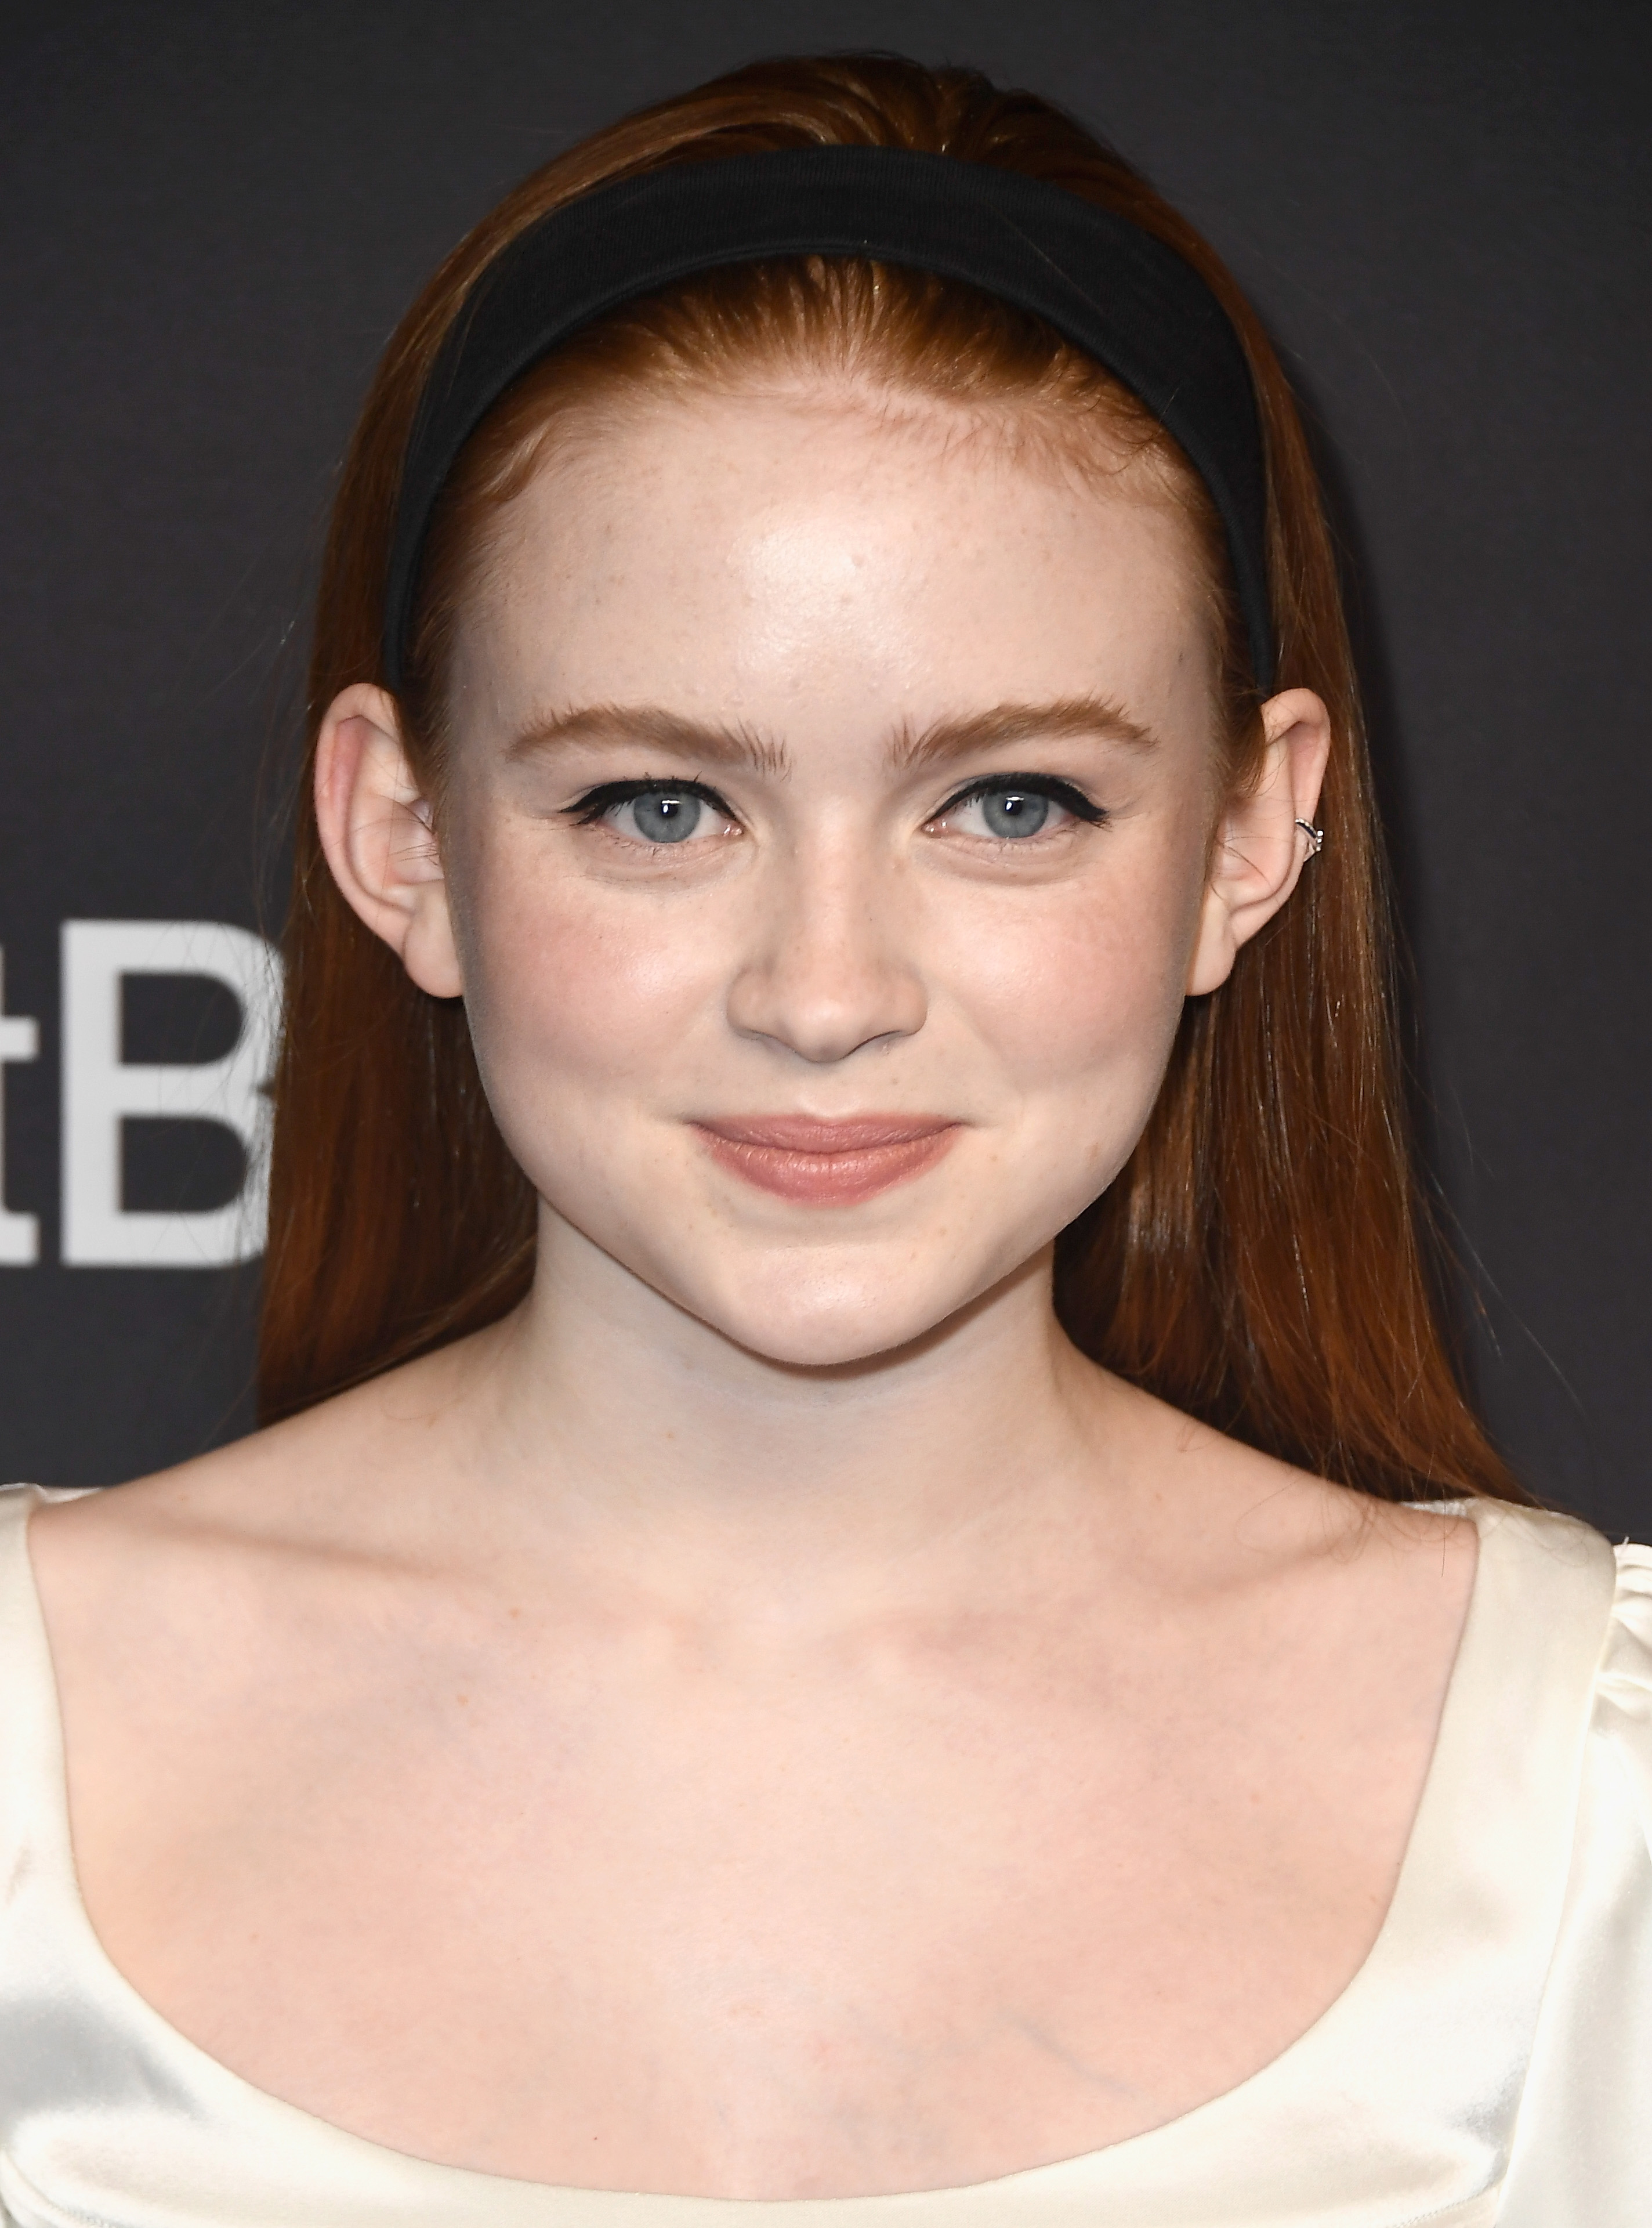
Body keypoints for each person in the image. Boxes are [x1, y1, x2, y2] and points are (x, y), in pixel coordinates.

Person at [2, 50, 1645, 2227]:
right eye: (659, 806)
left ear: (1251, 839)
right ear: (402, 838)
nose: (827, 989)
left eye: (1012, 804)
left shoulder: (1596, 1815)